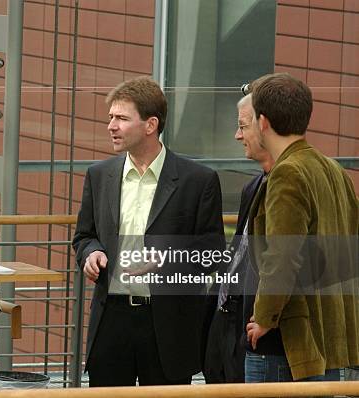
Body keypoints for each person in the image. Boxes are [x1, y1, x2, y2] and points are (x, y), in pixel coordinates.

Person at [72, 76, 225, 386]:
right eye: (111, 117)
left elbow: (212, 254)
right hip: (111, 321)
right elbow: (84, 237)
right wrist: (92, 253)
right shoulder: (99, 175)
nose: (111, 126)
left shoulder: (199, 181)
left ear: (150, 124)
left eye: (121, 118)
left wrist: (163, 260)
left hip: (169, 325)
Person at [243, 73, 358, 382]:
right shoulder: (333, 169)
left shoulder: (287, 173)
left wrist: (265, 317)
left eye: (249, 121)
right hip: (330, 339)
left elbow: (282, 255)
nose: (245, 131)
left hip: (290, 345)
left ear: (263, 122)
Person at [203, 93, 275, 383]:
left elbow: (288, 261)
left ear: (264, 126)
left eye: (243, 126)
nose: (236, 135)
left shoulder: (292, 184)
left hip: (256, 332)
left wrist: (266, 317)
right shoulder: (253, 187)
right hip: (226, 325)